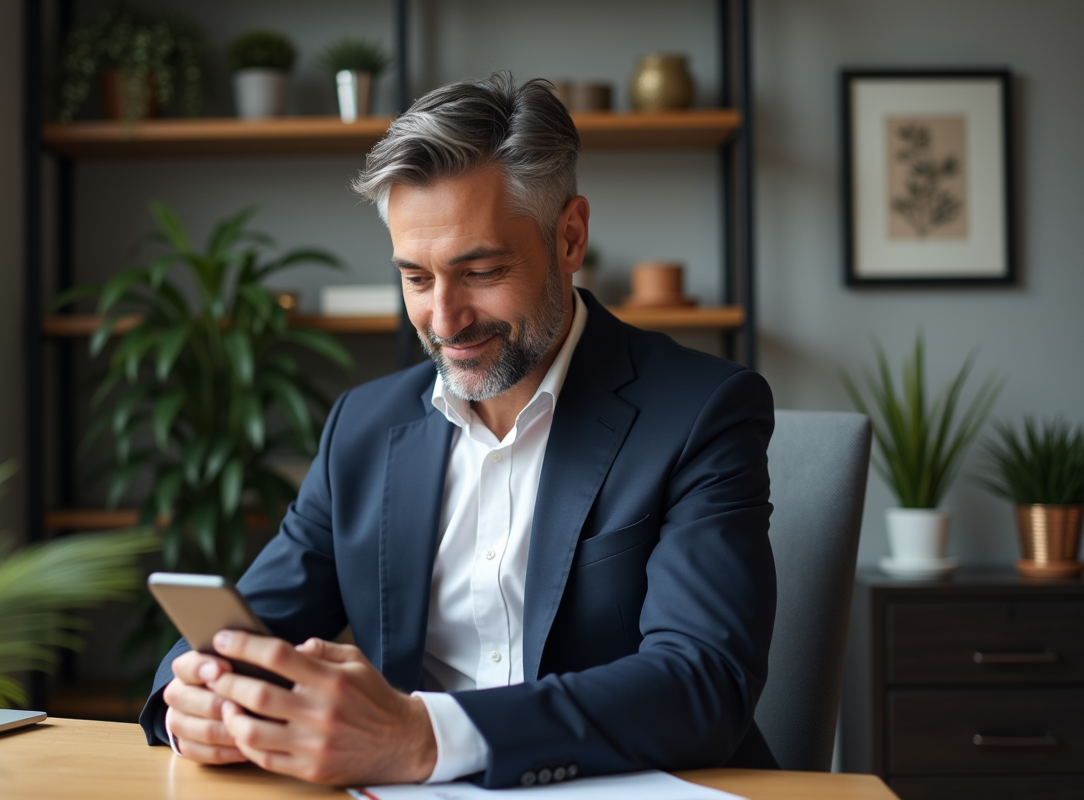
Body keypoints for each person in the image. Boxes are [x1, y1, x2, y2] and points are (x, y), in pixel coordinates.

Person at [139, 72, 777, 789]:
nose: (444, 320)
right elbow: (239, 634)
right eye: (415, 278)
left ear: (570, 237)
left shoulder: (702, 411)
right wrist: (192, 699)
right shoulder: (364, 427)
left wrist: (426, 737)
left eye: (480, 271)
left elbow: (703, 683)